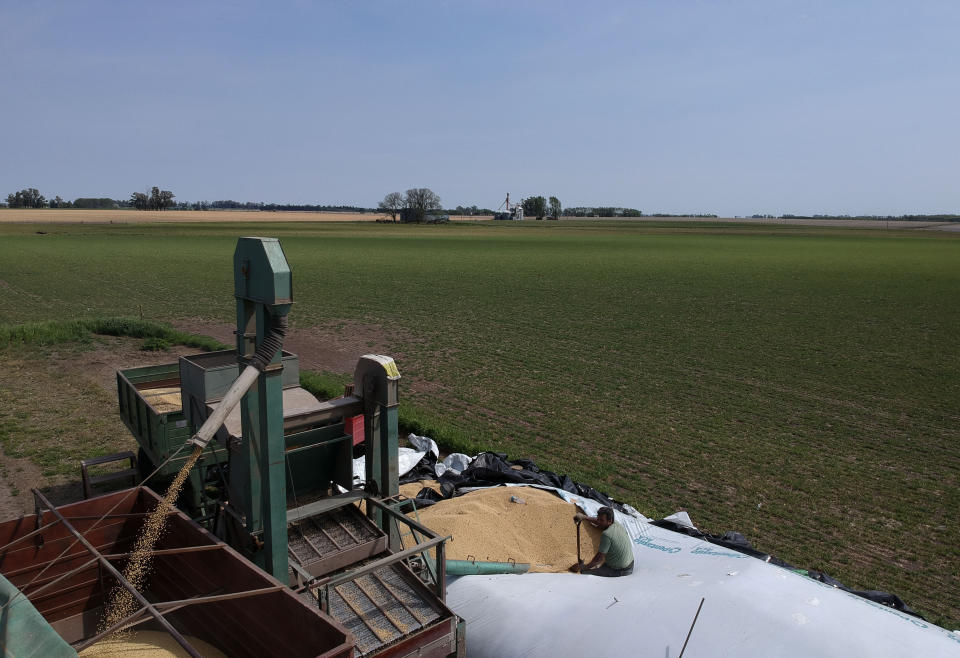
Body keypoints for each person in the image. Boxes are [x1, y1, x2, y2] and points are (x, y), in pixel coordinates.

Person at [570, 506, 634, 577]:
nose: (598, 522)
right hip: (630, 563)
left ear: (609, 521)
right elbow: (597, 521)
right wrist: (585, 517)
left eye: (602, 520)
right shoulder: (615, 523)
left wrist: (584, 567)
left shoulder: (607, 534)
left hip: (620, 570)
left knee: (583, 574)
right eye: (598, 518)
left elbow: (599, 559)